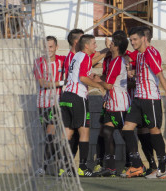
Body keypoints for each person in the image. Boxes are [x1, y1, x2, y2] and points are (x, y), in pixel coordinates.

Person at [120, 27, 166, 179]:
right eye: (131, 40)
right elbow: (144, 72)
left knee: (154, 131)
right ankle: (137, 165)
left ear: (144, 38)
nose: (132, 42)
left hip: (150, 99)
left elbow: (159, 74)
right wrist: (133, 73)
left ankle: (163, 166)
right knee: (127, 129)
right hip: (138, 98)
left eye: (135, 39)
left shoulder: (150, 53)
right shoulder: (140, 55)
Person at [59, 34, 104, 177]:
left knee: (68, 132)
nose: (95, 46)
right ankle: (83, 168)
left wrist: (105, 53)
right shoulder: (84, 56)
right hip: (78, 97)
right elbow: (83, 77)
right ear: (87, 46)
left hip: (65, 96)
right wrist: (99, 86)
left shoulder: (76, 55)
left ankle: (63, 168)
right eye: (94, 43)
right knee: (84, 132)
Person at [95, 31, 130, 177]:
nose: (109, 43)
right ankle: (110, 167)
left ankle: (134, 164)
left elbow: (109, 85)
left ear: (116, 46)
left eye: (112, 42)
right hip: (111, 103)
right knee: (107, 132)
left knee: (126, 134)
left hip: (120, 104)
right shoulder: (113, 60)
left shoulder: (118, 61)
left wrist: (97, 81)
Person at [33, 36, 66, 176]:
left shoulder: (62, 60)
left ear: (56, 47)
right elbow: (42, 83)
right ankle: (58, 163)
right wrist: (62, 82)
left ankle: (44, 168)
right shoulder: (38, 62)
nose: (48, 50)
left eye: (51, 47)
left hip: (56, 103)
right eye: (46, 47)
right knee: (48, 137)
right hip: (42, 103)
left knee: (50, 134)